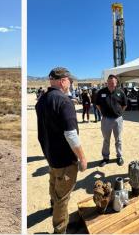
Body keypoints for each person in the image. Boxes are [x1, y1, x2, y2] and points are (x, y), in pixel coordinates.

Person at [35, 67, 87, 234]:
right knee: (62, 198)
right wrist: (82, 158)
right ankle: (60, 230)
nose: (70, 84)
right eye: (70, 81)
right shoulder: (64, 102)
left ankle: (53, 206)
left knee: (54, 184)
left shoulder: (41, 101)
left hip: (51, 156)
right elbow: (71, 135)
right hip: (64, 159)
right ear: (63, 81)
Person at [96, 74, 127, 167]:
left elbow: (124, 105)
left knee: (118, 140)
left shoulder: (120, 92)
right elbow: (97, 104)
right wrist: (103, 113)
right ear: (107, 82)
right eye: (109, 82)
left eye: (113, 82)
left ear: (116, 83)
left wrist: (119, 113)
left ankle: (119, 156)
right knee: (106, 140)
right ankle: (105, 158)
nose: (111, 84)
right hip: (106, 120)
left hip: (117, 120)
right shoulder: (101, 92)